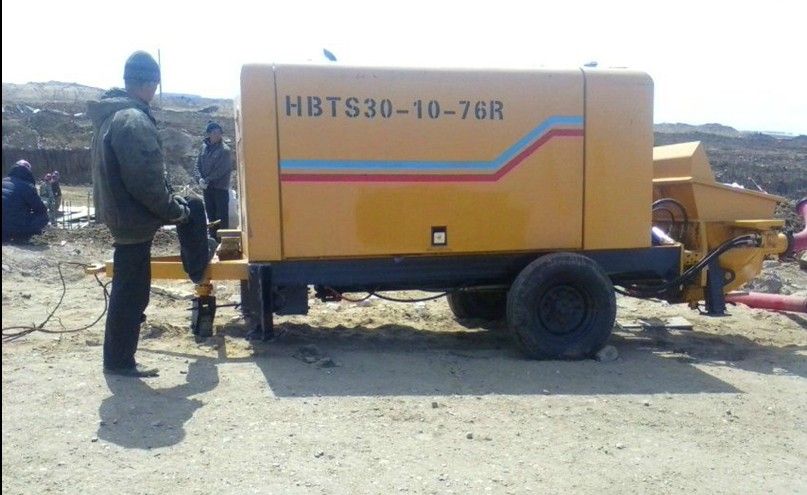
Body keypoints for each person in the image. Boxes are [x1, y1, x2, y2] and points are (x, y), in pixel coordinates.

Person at [88, 51, 190, 378]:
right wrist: (174, 211)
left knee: (128, 290)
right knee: (131, 294)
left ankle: (118, 358)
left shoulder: (112, 117)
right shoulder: (132, 120)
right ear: (150, 84)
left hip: (122, 218)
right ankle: (119, 361)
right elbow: (145, 181)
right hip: (132, 220)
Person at [196, 121, 233, 234]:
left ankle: (223, 240)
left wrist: (206, 180)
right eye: (214, 133)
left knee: (221, 216)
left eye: (219, 133)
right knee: (211, 215)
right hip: (207, 188)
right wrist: (199, 178)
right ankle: (213, 239)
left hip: (220, 188)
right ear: (209, 134)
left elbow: (221, 170)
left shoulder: (225, 150)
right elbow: (197, 165)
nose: (217, 135)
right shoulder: (203, 148)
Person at [2, 160, 49, 242]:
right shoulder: (27, 186)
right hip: (13, 228)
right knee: (44, 216)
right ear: (28, 172)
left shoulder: (3, 181)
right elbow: (41, 209)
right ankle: (23, 236)